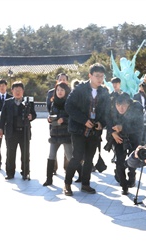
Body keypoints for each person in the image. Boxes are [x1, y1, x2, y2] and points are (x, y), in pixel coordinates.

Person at [63, 63, 111, 196]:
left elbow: (107, 111)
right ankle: (67, 184)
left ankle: (86, 184)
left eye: (102, 76)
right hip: (78, 129)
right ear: (90, 75)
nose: (100, 79)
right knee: (77, 156)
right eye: (97, 76)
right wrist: (84, 120)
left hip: (95, 131)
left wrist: (102, 123)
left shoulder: (104, 91)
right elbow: (69, 107)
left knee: (90, 158)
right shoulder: (80, 89)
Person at [0, 81, 36, 180]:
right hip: (11, 131)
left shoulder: (28, 102)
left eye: (19, 90)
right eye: (15, 90)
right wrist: (0, 128)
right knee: (10, 153)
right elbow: (3, 117)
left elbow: (34, 114)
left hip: (24, 131)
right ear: (12, 91)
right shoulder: (8, 102)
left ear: (23, 91)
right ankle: (10, 173)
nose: (17, 92)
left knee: (25, 153)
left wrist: (31, 116)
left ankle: (25, 172)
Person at [107, 93, 143, 194]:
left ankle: (132, 176)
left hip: (133, 136)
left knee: (133, 158)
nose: (121, 108)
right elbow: (107, 121)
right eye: (118, 105)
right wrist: (113, 132)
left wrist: (123, 128)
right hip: (118, 137)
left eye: (123, 105)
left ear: (129, 104)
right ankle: (123, 185)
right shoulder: (111, 108)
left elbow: (139, 126)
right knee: (119, 161)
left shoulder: (136, 107)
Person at [43, 81, 72, 187]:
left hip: (66, 134)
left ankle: (81, 175)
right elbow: (51, 114)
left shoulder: (70, 103)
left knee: (70, 156)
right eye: (58, 90)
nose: (59, 92)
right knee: (51, 156)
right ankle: (48, 179)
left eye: (62, 90)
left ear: (66, 91)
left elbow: (73, 118)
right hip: (55, 133)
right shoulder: (53, 102)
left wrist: (63, 120)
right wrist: (50, 119)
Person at [45, 73, 70, 174]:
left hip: (66, 130)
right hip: (55, 129)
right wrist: (51, 118)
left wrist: (63, 119)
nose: (62, 81)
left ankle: (69, 170)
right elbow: (49, 109)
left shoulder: (70, 96)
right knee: (52, 154)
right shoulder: (52, 95)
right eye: (60, 79)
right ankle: (50, 175)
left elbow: (73, 115)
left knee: (68, 154)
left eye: (64, 79)